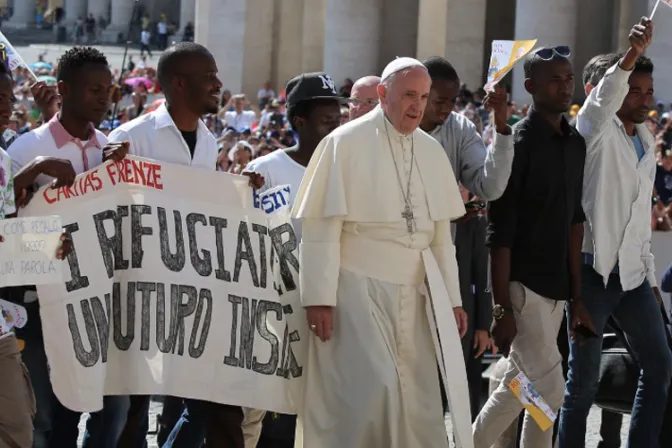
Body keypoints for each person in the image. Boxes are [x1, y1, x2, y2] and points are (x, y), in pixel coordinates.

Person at [291, 57, 472, 448]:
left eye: (424, 97)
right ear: (382, 94)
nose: (417, 105)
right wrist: (318, 299)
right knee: (374, 392)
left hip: (416, 296)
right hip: (357, 291)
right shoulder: (343, 143)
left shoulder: (430, 150)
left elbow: (441, 238)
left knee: (416, 401)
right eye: (409, 95)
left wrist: (452, 301)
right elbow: (321, 228)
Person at [108, 42, 255, 448]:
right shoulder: (131, 138)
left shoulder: (208, 141)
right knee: (132, 410)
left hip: (193, 296)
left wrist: (238, 192)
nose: (218, 84)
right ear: (178, 83)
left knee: (209, 402)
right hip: (139, 296)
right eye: (208, 76)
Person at [472, 46, 594, 448]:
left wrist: (577, 297)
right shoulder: (517, 144)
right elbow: (499, 232)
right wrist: (502, 307)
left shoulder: (575, 143)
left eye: (569, 78)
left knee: (525, 388)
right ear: (531, 88)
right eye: (554, 80)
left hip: (558, 289)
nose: (565, 87)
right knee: (550, 389)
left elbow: (575, 222)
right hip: (523, 289)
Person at [559, 18, 672, 448]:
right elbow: (603, 99)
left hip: (634, 280)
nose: (644, 100)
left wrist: (649, 277)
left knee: (660, 365)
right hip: (590, 279)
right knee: (582, 384)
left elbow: (639, 218)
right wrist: (631, 54)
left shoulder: (645, 138)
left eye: (647, 92)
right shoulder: (593, 132)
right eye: (633, 90)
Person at [8, 46, 129, 448]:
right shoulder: (26, 150)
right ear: (64, 89)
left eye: (108, 89)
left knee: (111, 410)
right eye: (94, 89)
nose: (104, 97)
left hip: (100, 304)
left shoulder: (112, 149)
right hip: (42, 304)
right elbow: (10, 221)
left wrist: (122, 175)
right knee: (47, 416)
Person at [243, 71, 344, 446]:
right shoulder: (265, 171)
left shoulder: (346, 170)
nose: (336, 129)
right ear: (300, 122)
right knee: (265, 411)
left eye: (339, 121)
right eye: (326, 121)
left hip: (328, 312)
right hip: (273, 316)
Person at [420, 56, 513, 203]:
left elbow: (489, 188)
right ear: (421, 95)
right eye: (439, 101)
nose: (447, 108)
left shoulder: (461, 129)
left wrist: (501, 127)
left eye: (452, 100)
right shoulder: (390, 125)